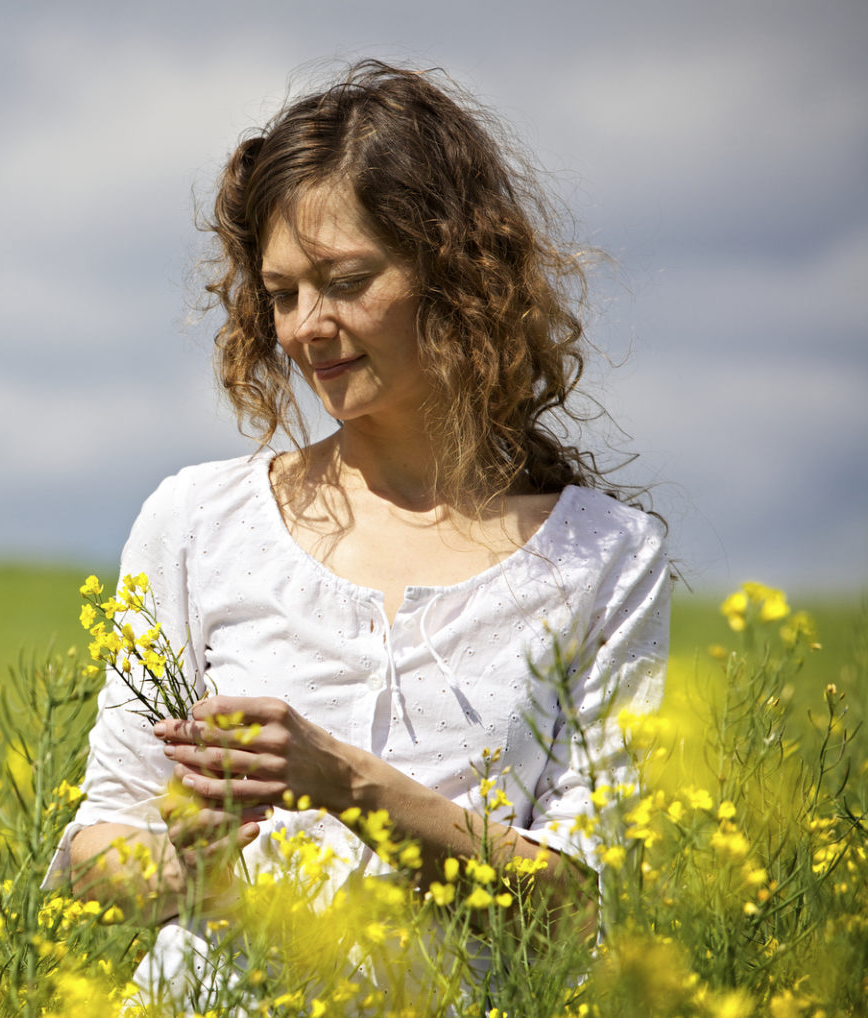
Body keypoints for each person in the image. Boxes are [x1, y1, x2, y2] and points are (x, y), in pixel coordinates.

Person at [44, 60, 670, 1004]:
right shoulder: (197, 523)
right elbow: (93, 854)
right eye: (283, 293)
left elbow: (585, 909)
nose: (307, 329)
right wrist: (193, 867)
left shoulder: (607, 558)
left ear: (455, 271)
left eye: (345, 282)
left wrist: (342, 781)